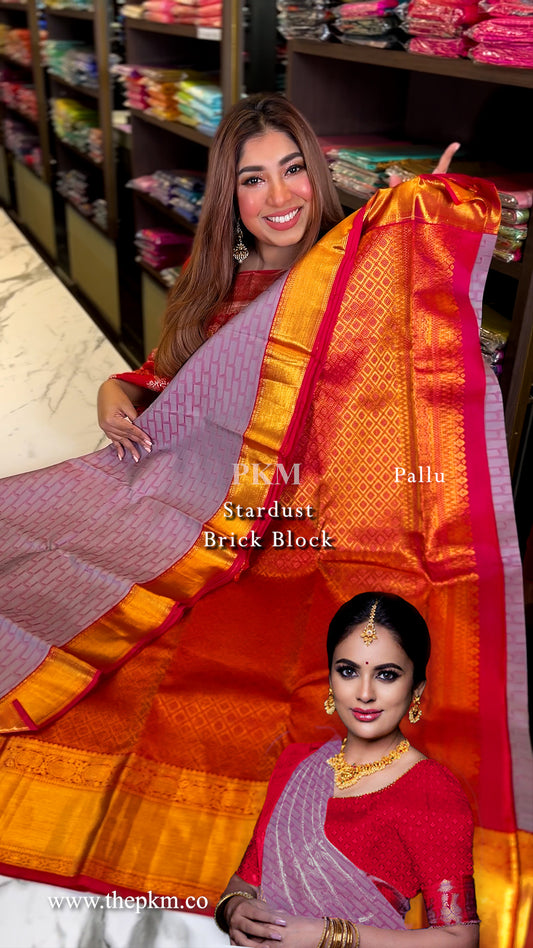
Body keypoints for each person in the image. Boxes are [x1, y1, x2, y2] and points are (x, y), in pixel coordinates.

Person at [0, 94, 528, 947]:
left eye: (292, 170)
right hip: (202, 499)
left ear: (317, 176)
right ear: (230, 196)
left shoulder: (355, 274)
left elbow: (402, 373)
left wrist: (416, 227)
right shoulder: (221, 281)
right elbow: (165, 376)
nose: (278, 196)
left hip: (308, 521)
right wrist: (113, 391)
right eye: (252, 180)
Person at [217, 593, 480, 947]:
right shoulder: (297, 764)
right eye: (348, 671)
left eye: (386, 675)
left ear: (417, 687)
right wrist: (234, 909)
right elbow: (245, 881)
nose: (364, 693)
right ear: (330, 679)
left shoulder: (431, 790)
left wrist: (331, 935)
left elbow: (460, 938)